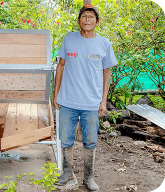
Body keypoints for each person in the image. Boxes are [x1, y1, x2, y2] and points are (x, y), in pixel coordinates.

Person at [53, 4, 118, 191]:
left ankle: (88, 178)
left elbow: (107, 73)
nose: (87, 20)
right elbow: (61, 66)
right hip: (67, 101)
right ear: (79, 21)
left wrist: (103, 100)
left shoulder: (104, 43)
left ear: (97, 22)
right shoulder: (69, 39)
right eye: (84, 17)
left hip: (91, 103)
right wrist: (56, 94)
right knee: (66, 139)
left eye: (91, 17)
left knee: (90, 141)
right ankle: (67, 173)